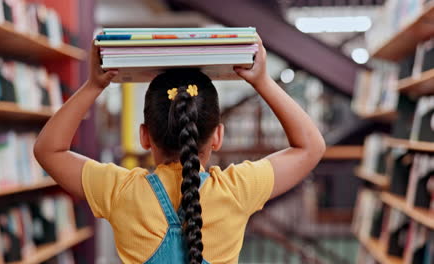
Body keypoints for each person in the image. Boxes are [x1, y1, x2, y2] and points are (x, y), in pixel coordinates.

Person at [34, 35, 326, 264]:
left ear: (145, 137)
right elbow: (311, 146)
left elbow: (49, 151)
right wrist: (262, 81)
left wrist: (93, 86)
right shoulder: (237, 190)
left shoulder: (120, 192)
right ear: (218, 136)